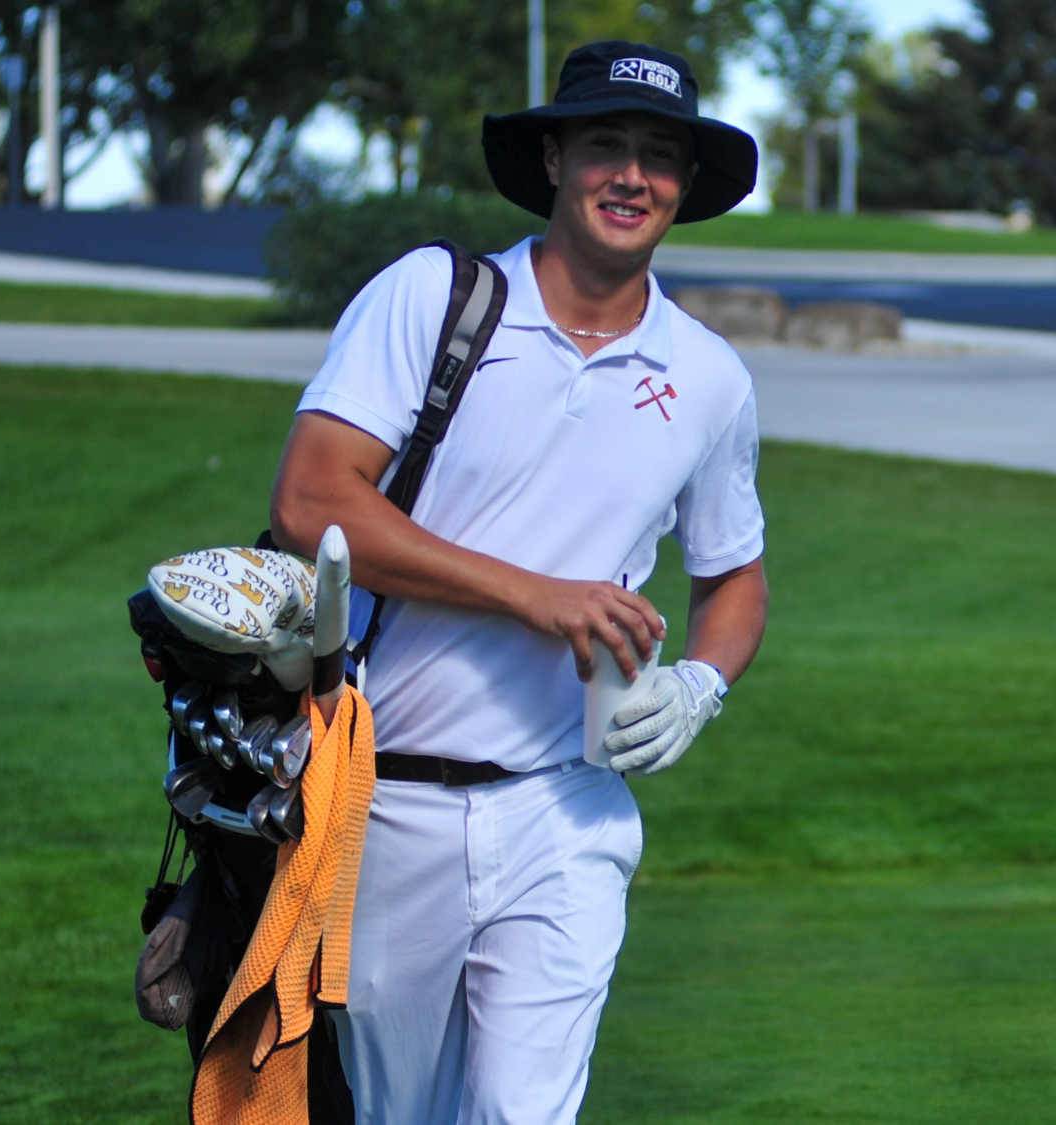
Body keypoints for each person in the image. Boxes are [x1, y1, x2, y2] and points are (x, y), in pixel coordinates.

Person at [267, 41, 769, 1125]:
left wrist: (698, 685)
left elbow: (734, 580)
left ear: (683, 186)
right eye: (604, 146)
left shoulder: (711, 377)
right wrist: (533, 593)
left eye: (658, 155)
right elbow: (313, 505)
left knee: (520, 1116)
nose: (631, 176)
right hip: (384, 792)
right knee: (398, 1113)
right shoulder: (436, 298)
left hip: (568, 807)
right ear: (552, 159)